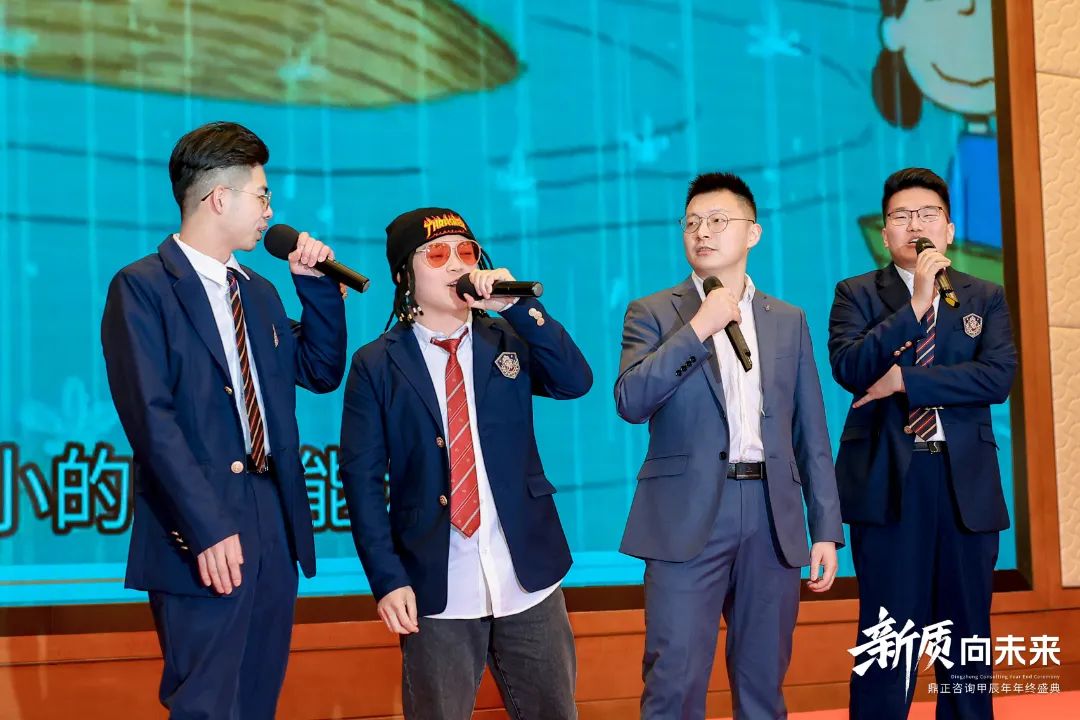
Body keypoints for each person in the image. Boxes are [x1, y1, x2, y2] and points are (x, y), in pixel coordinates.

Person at [100, 121, 348, 719]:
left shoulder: (258, 293)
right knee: (207, 704)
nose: (270, 211)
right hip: (199, 525)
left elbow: (318, 370)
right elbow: (151, 420)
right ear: (219, 198)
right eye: (262, 195)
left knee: (257, 698)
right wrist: (207, 526)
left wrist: (315, 289)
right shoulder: (143, 287)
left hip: (273, 517)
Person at [339, 207, 592, 719]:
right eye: (437, 254)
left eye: (466, 252)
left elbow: (574, 381)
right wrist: (387, 578)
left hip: (527, 577)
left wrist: (517, 307)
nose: (457, 264)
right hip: (436, 585)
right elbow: (361, 481)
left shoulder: (507, 337)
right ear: (403, 276)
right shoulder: (377, 363)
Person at [615, 172, 843, 719]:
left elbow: (810, 429)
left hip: (771, 514)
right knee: (674, 680)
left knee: (763, 682)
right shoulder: (653, 312)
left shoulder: (788, 320)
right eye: (692, 223)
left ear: (753, 232)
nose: (703, 232)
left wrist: (825, 529)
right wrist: (699, 328)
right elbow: (630, 399)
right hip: (686, 515)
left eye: (718, 221)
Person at [828, 167, 1017, 720]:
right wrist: (915, 306)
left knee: (966, 641)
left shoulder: (985, 295)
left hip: (964, 486)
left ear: (949, 230)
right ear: (886, 231)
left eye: (928, 214)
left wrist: (906, 381)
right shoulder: (856, 293)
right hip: (890, 483)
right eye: (902, 216)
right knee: (889, 636)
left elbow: (996, 379)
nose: (916, 225)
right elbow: (851, 367)